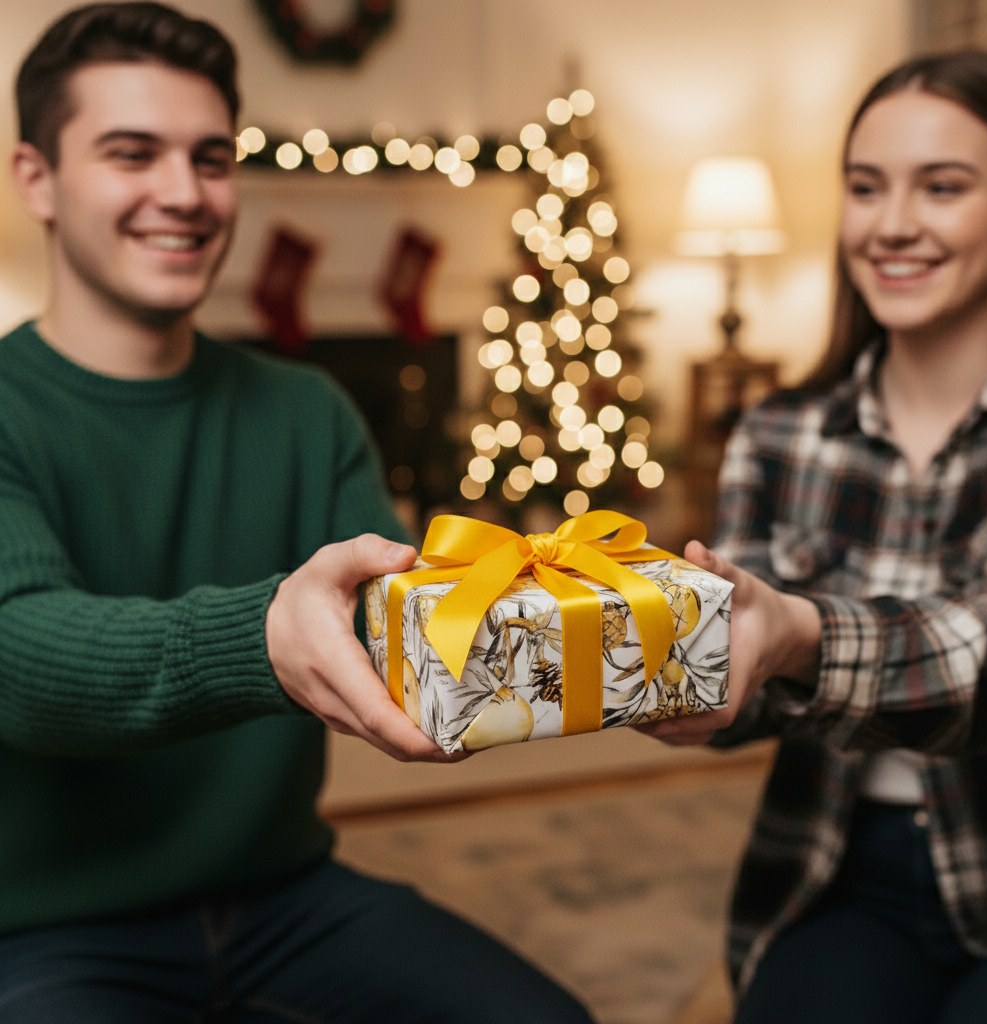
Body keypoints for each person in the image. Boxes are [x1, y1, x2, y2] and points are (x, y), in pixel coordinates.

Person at [0, 4, 595, 1021]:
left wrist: (616, 626)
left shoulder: (307, 410)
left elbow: (397, 623)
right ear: (36, 179)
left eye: (210, 157)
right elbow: (21, 654)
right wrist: (261, 636)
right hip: (45, 930)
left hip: (287, 897)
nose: (184, 193)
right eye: (132, 154)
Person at [642, 49, 987, 1023]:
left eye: (942, 187)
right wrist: (684, 677)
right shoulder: (778, 433)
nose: (891, 223)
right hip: (837, 867)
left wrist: (798, 633)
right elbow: (751, 695)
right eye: (865, 187)